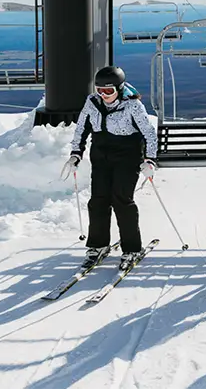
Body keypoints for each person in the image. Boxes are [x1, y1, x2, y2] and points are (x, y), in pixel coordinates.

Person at [62, 66, 159, 270]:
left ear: (119, 88)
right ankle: (98, 245)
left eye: (109, 91)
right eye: (100, 90)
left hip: (126, 156)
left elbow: (149, 133)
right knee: (98, 200)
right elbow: (82, 128)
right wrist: (75, 153)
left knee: (122, 200)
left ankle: (132, 248)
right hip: (101, 156)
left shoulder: (132, 105)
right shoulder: (92, 102)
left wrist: (149, 159)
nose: (104, 95)